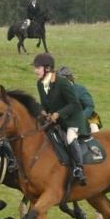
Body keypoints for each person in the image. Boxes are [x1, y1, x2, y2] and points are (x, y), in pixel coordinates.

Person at [33, 53, 90, 185]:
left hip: (73, 119)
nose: (35, 70)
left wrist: (58, 114)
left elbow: (75, 104)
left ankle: (78, 169)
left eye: (38, 67)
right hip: (56, 120)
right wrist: (43, 111)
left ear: (47, 68)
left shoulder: (62, 82)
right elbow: (45, 104)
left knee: (70, 138)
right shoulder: (40, 84)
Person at [57, 66, 101, 133]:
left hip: (87, 118)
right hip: (66, 119)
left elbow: (90, 106)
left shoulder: (80, 89)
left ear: (68, 79)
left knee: (95, 131)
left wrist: (81, 117)